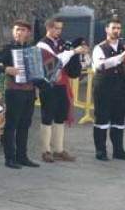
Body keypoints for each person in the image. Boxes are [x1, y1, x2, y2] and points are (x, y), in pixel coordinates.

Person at [91, 17, 125, 161]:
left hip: (121, 88)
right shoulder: (99, 48)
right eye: (113, 28)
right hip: (103, 87)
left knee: (118, 120)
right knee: (101, 119)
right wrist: (121, 57)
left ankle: (118, 150)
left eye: (119, 28)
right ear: (107, 30)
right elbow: (99, 65)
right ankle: (101, 150)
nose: (116, 31)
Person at [36, 16, 89, 163]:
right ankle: (46, 150)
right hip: (49, 86)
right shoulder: (42, 45)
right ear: (49, 28)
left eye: (60, 28)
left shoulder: (62, 43)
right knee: (47, 117)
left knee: (60, 117)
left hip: (62, 85)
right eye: (56, 28)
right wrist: (72, 52)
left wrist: (79, 53)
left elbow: (70, 62)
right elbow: (53, 63)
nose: (59, 31)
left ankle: (58, 150)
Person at [0, 20, 39, 169]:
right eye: (16, 30)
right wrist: (5, 69)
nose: (19, 33)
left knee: (25, 125)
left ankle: (22, 156)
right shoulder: (6, 48)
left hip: (29, 91)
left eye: (22, 30)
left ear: (28, 33)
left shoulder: (31, 49)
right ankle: (9, 157)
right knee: (11, 125)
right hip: (14, 91)